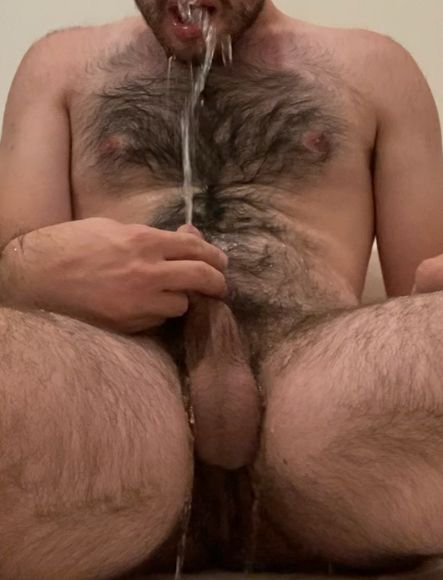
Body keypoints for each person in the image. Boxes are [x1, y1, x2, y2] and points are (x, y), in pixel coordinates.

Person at [0, 0, 443, 578]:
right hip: (112, 425)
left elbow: (424, 286)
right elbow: (15, 283)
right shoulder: (59, 66)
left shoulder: (376, 67)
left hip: (330, 420)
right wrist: (25, 265)